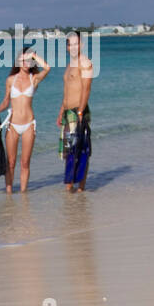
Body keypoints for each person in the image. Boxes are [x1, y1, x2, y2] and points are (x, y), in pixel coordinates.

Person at [0, 47, 51, 194]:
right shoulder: (11, 80)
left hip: (29, 124)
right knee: (10, 163)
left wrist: (34, 56)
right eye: (23, 60)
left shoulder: (34, 79)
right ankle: (9, 195)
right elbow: (6, 102)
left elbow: (47, 67)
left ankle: (24, 195)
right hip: (12, 125)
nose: (26, 63)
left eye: (29, 61)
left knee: (25, 163)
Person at [57, 32, 93, 190]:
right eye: (70, 44)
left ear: (82, 45)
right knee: (67, 151)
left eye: (76, 44)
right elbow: (67, 91)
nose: (72, 47)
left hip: (78, 112)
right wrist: (61, 111)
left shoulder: (84, 62)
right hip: (67, 113)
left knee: (80, 151)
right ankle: (70, 185)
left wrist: (80, 111)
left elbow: (86, 88)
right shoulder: (69, 65)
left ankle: (80, 188)